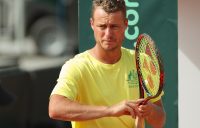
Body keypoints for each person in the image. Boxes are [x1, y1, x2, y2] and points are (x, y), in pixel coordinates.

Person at [49, 0, 166, 128]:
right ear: (92, 24)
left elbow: (159, 121)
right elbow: (55, 108)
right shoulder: (76, 66)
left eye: (114, 26)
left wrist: (150, 110)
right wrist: (110, 110)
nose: (108, 34)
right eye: (102, 26)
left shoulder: (141, 61)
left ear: (126, 24)